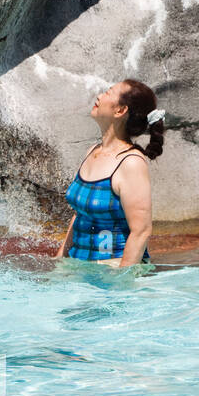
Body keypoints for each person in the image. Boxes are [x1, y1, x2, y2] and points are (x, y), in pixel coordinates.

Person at [55, 79, 165, 267]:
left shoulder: (131, 163)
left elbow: (141, 231)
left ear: (120, 111)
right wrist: (58, 261)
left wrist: (122, 282)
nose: (99, 96)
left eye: (108, 93)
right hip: (80, 266)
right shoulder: (92, 151)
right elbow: (80, 215)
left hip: (112, 269)